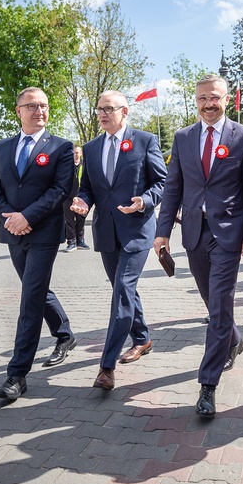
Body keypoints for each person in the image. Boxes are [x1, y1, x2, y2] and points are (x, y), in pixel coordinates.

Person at [154, 74, 243, 419]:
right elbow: (173, 187)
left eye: (214, 98)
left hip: (229, 234)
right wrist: (162, 231)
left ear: (226, 99)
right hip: (194, 234)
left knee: (218, 305)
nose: (208, 104)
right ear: (195, 101)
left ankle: (208, 384)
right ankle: (234, 339)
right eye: (202, 98)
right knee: (210, 300)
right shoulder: (183, 137)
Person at [0, 87, 77, 400]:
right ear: (18, 111)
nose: (39, 111)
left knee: (29, 298)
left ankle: (17, 374)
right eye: (32, 106)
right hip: (13, 230)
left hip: (44, 232)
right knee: (35, 289)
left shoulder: (61, 147)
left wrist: (27, 217)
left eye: (44, 106)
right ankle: (64, 334)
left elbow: (60, 189)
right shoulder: (3, 147)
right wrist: (7, 214)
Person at [71, 91, 166, 390]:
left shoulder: (145, 140)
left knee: (122, 290)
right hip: (106, 231)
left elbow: (162, 182)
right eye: (98, 109)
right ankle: (142, 338)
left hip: (137, 230)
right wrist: (83, 201)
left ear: (124, 112)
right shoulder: (91, 147)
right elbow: (88, 187)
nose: (102, 114)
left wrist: (144, 201)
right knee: (123, 289)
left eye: (108, 109)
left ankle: (106, 367)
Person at [61, 145, 89, 252]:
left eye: (77, 152)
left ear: (81, 154)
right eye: (74, 153)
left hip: (81, 198)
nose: (75, 155)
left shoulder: (85, 165)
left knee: (81, 220)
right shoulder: (67, 165)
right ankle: (71, 242)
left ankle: (80, 241)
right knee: (69, 221)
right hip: (68, 197)